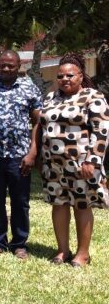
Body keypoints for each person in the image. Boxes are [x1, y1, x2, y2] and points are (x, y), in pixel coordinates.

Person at [38, 60, 108, 267]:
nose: (64, 79)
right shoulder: (51, 97)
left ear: (80, 76)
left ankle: (83, 254)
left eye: (70, 75)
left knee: (82, 205)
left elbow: (102, 131)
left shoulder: (92, 97)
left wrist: (92, 161)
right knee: (58, 205)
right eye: (60, 76)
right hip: (53, 163)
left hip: (81, 165)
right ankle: (63, 250)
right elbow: (42, 126)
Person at [0, 50, 42, 259]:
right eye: (3, 65)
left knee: (20, 200)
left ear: (19, 66)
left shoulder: (29, 87)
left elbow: (37, 122)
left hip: (19, 155)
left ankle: (19, 244)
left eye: (11, 65)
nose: (6, 69)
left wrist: (33, 152)